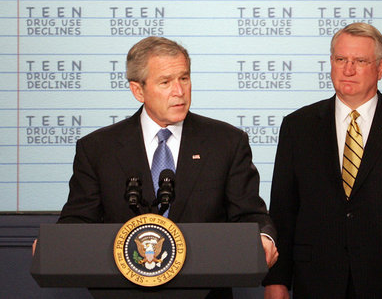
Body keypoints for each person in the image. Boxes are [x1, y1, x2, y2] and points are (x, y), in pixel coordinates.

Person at [57, 36, 278, 296]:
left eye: (184, 78)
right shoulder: (97, 148)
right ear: (137, 90)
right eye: (165, 82)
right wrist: (55, 244)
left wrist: (264, 236)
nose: (179, 91)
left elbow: (249, 214)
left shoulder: (227, 142)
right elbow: (79, 219)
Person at [263, 23, 382, 299]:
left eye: (360, 61)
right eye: (340, 60)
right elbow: (283, 211)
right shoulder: (297, 126)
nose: (348, 69)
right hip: (317, 281)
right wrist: (276, 282)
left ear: (381, 68)